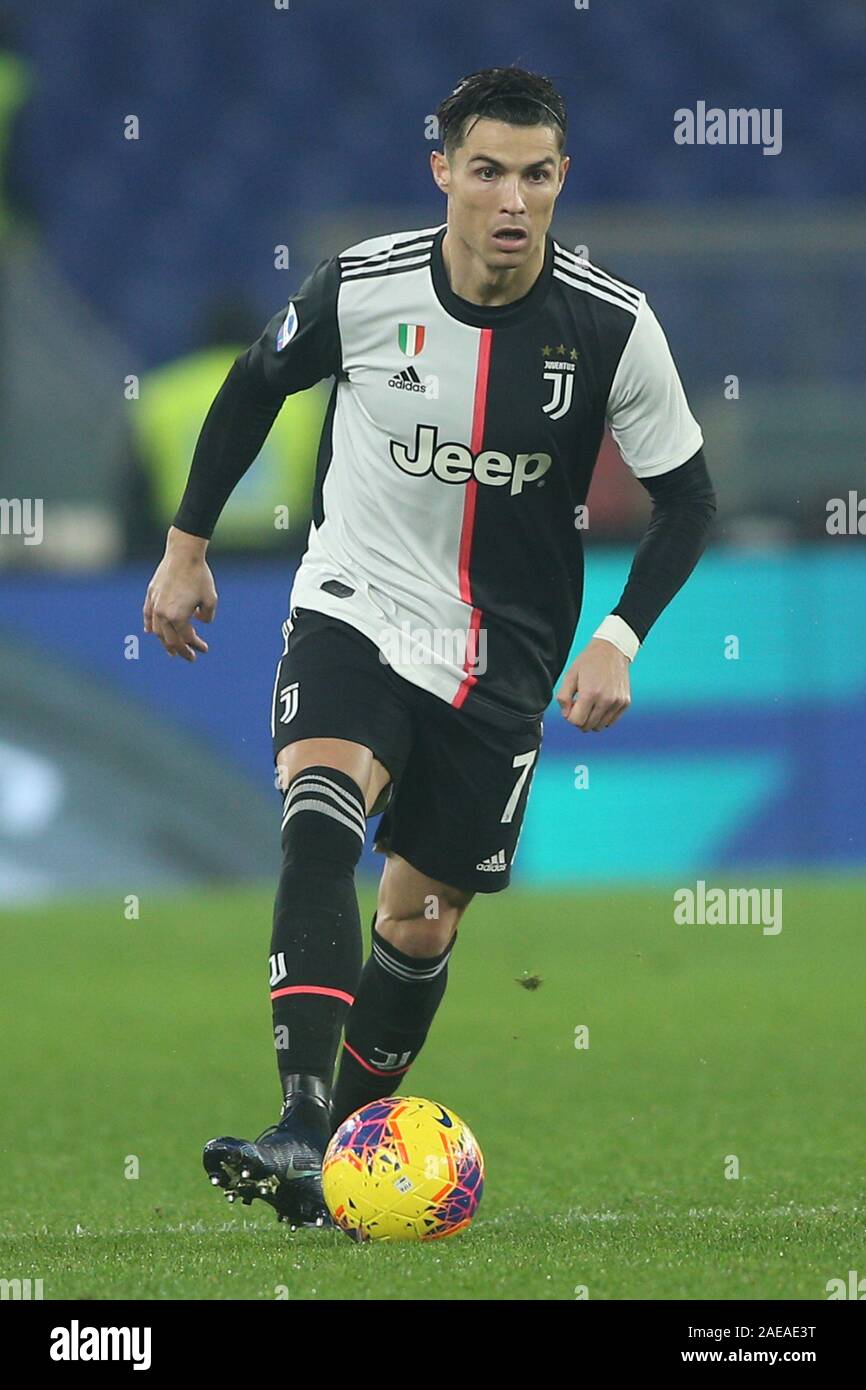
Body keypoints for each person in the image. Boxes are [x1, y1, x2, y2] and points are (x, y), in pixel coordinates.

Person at [143, 66, 716, 1229]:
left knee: (418, 920)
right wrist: (184, 546)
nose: (511, 198)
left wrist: (617, 636)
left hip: (500, 660)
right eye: (488, 170)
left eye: (536, 174)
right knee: (319, 805)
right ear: (442, 172)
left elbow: (688, 500)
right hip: (354, 600)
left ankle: (337, 1165)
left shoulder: (611, 325)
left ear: (561, 181)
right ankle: (300, 1121)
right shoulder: (362, 286)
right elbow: (255, 386)